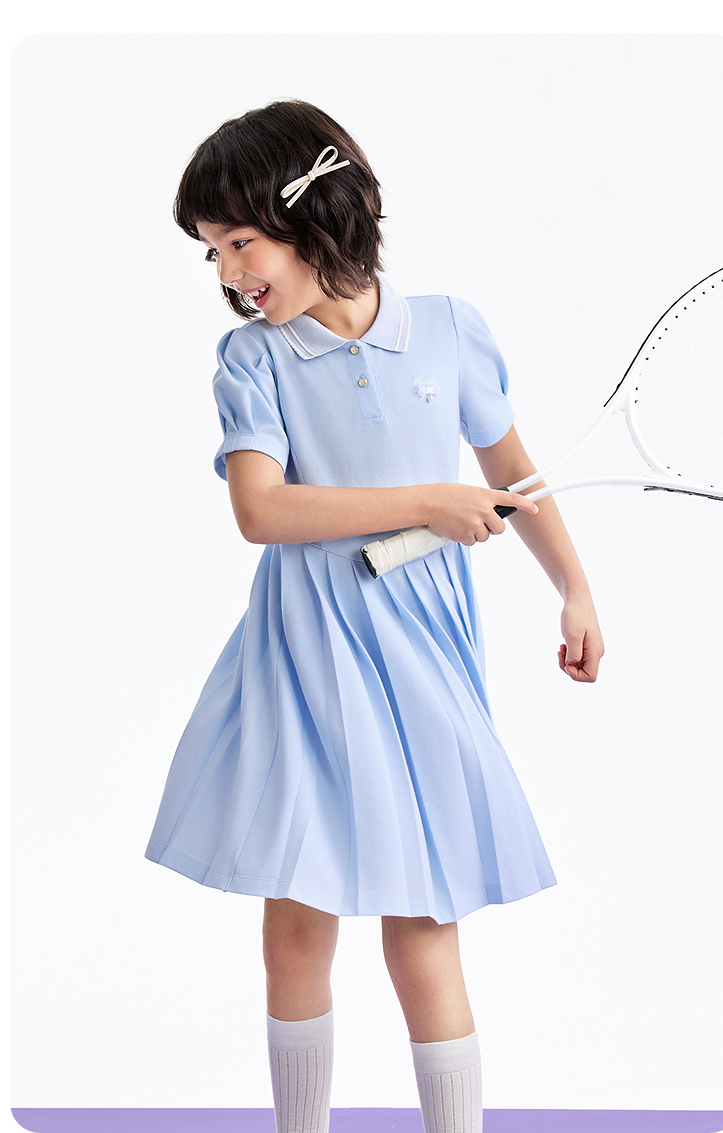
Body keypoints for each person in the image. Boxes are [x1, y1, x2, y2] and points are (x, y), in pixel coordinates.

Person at [145, 98, 604, 1133]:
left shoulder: (448, 329)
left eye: (240, 242)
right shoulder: (254, 360)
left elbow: (516, 474)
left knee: (424, 920)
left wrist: (575, 588)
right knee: (298, 920)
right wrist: (426, 502)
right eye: (213, 252)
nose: (228, 273)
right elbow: (262, 512)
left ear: (313, 212)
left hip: (422, 651)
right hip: (303, 655)